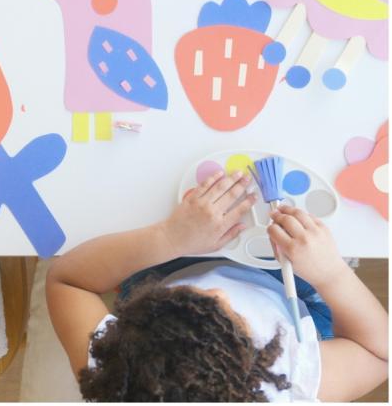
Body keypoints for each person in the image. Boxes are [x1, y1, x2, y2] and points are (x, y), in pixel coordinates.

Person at [47, 170, 388, 401]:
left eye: (195, 301)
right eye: (230, 318)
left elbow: (67, 280)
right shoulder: (287, 381)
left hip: (169, 264)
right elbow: (379, 354)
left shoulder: (119, 370)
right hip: (288, 288)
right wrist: (330, 274)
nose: (220, 292)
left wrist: (168, 238)